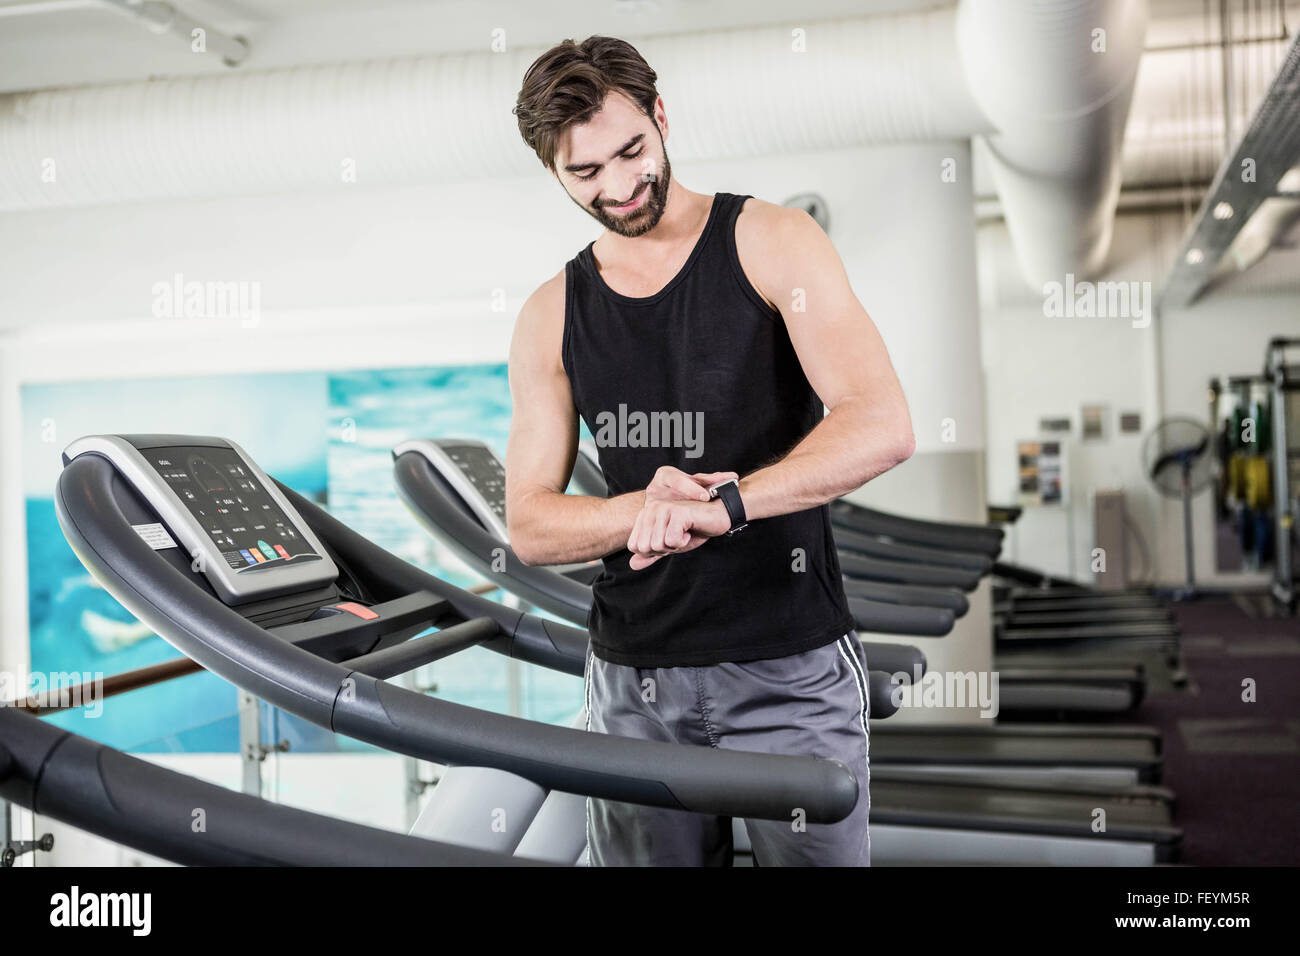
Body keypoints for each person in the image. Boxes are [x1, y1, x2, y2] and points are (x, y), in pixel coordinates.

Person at [505, 36, 914, 866]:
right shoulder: (550, 314)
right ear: (553, 172)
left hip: (789, 666)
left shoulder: (772, 240)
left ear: (661, 117)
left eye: (632, 151)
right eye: (586, 173)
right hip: (632, 684)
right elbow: (530, 526)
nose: (620, 186)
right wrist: (643, 511)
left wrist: (726, 507)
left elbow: (882, 423)